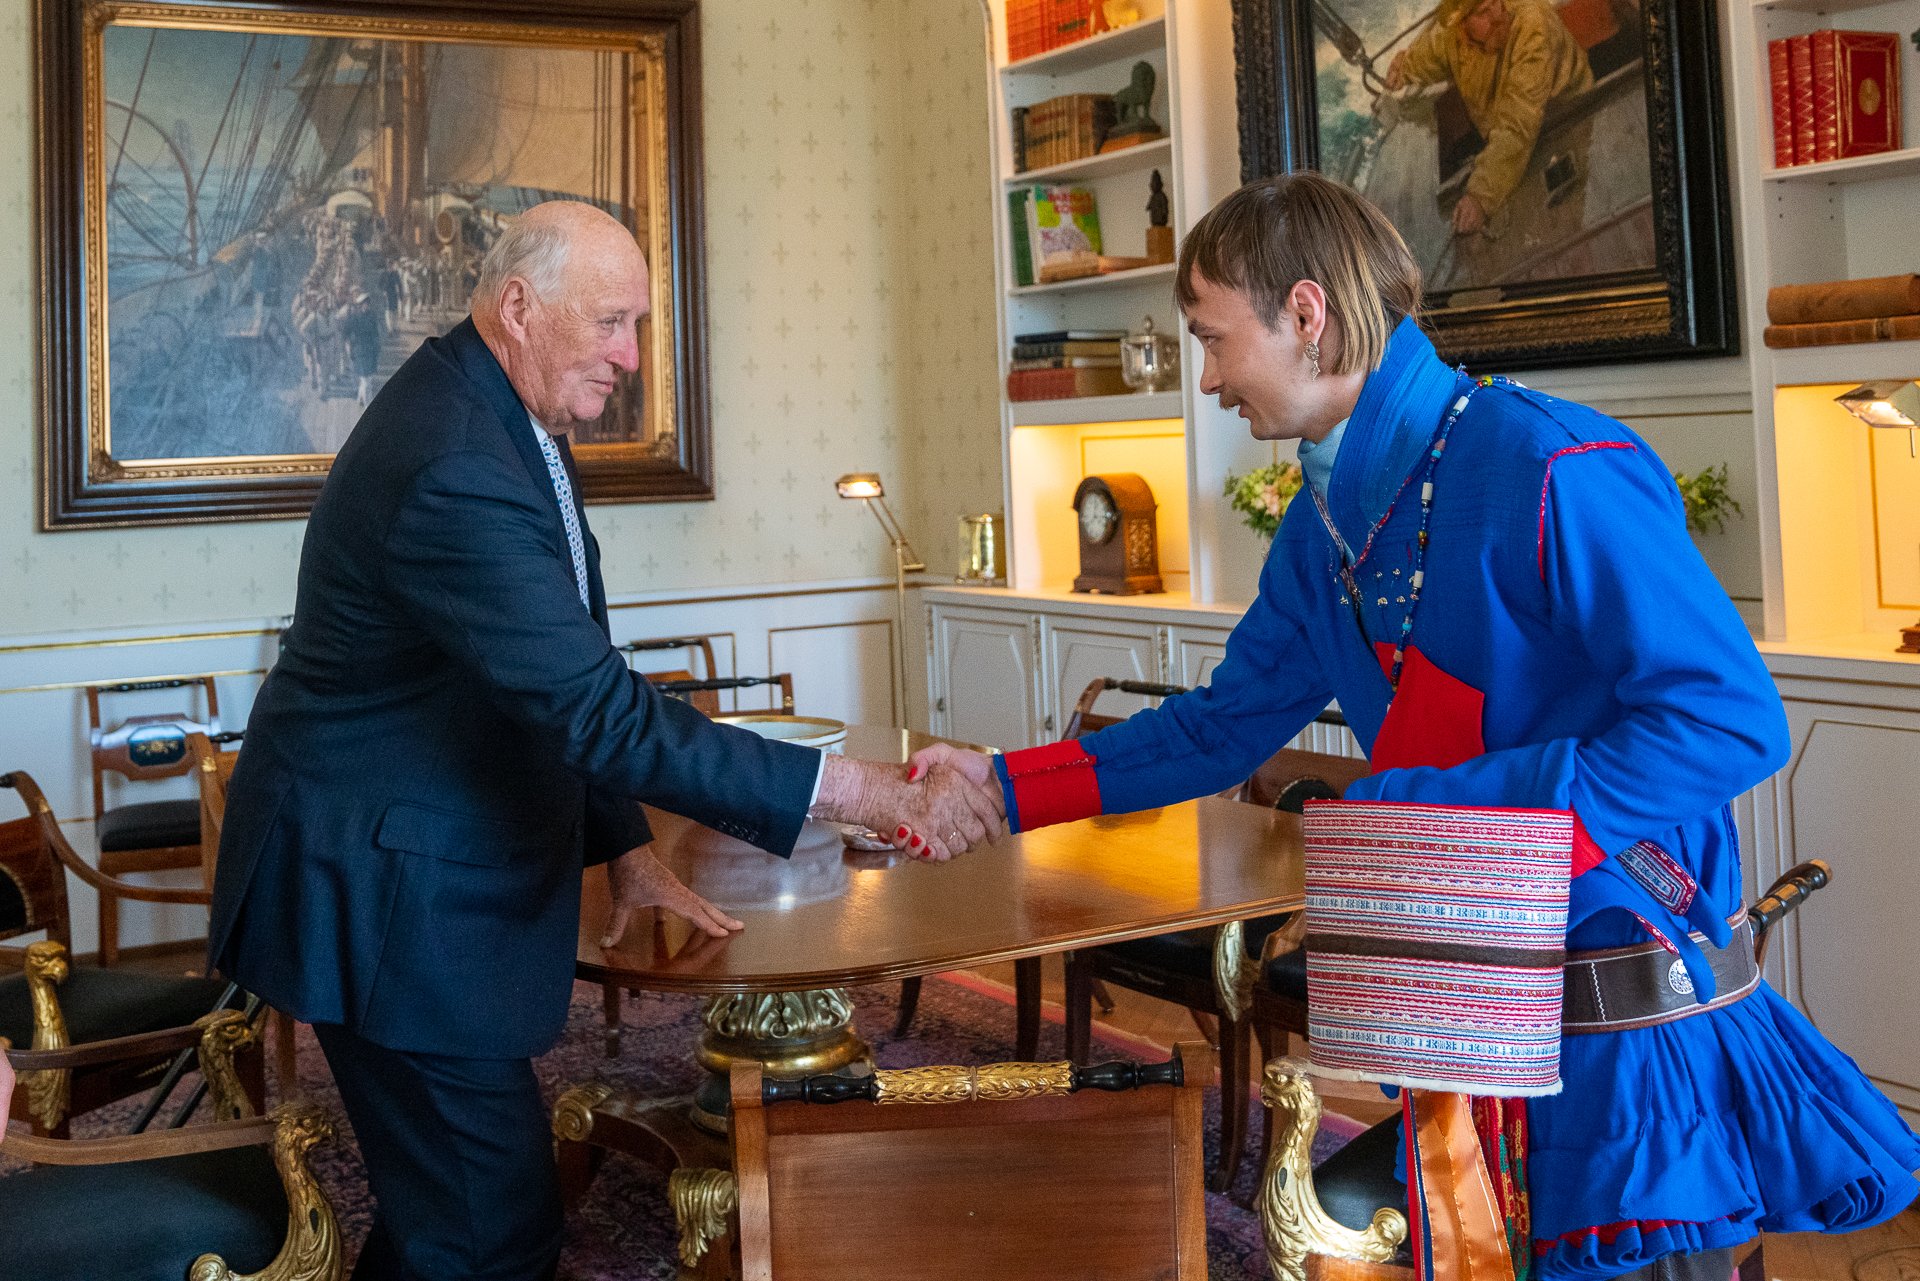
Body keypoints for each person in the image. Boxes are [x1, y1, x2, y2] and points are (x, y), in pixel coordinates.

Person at [911, 172, 1920, 1281]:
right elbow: (1217, 731)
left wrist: (1439, 813)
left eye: (1211, 338)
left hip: (1627, 1042)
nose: (1206, 378)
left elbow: (1729, 723)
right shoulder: (1322, 527)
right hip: (1470, 1015)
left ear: (1306, 313)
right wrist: (1000, 785)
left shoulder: (1553, 464)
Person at [208, 200, 1002, 1281]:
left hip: (404, 874)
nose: (630, 358)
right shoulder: (454, 458)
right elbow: (596, 707)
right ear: (519, 307)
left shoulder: (508, 415)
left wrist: (625, 845)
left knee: (456, 1220)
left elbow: (546, 673)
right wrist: (870, 792)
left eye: (638, 326)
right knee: (491, 1231)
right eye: (610, 324)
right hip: (383, 896)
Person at [1385, 0, 1593, 235]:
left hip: (1567, 121)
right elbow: (1434, 50)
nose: (1496, 15)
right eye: (1484, 11)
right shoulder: (1453, 36)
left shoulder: (1533, 25)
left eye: (1495, 2)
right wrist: (1404, 69)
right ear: (1462, 26)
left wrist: (1480, 197)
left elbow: (1518, 123)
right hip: (1507, 140)